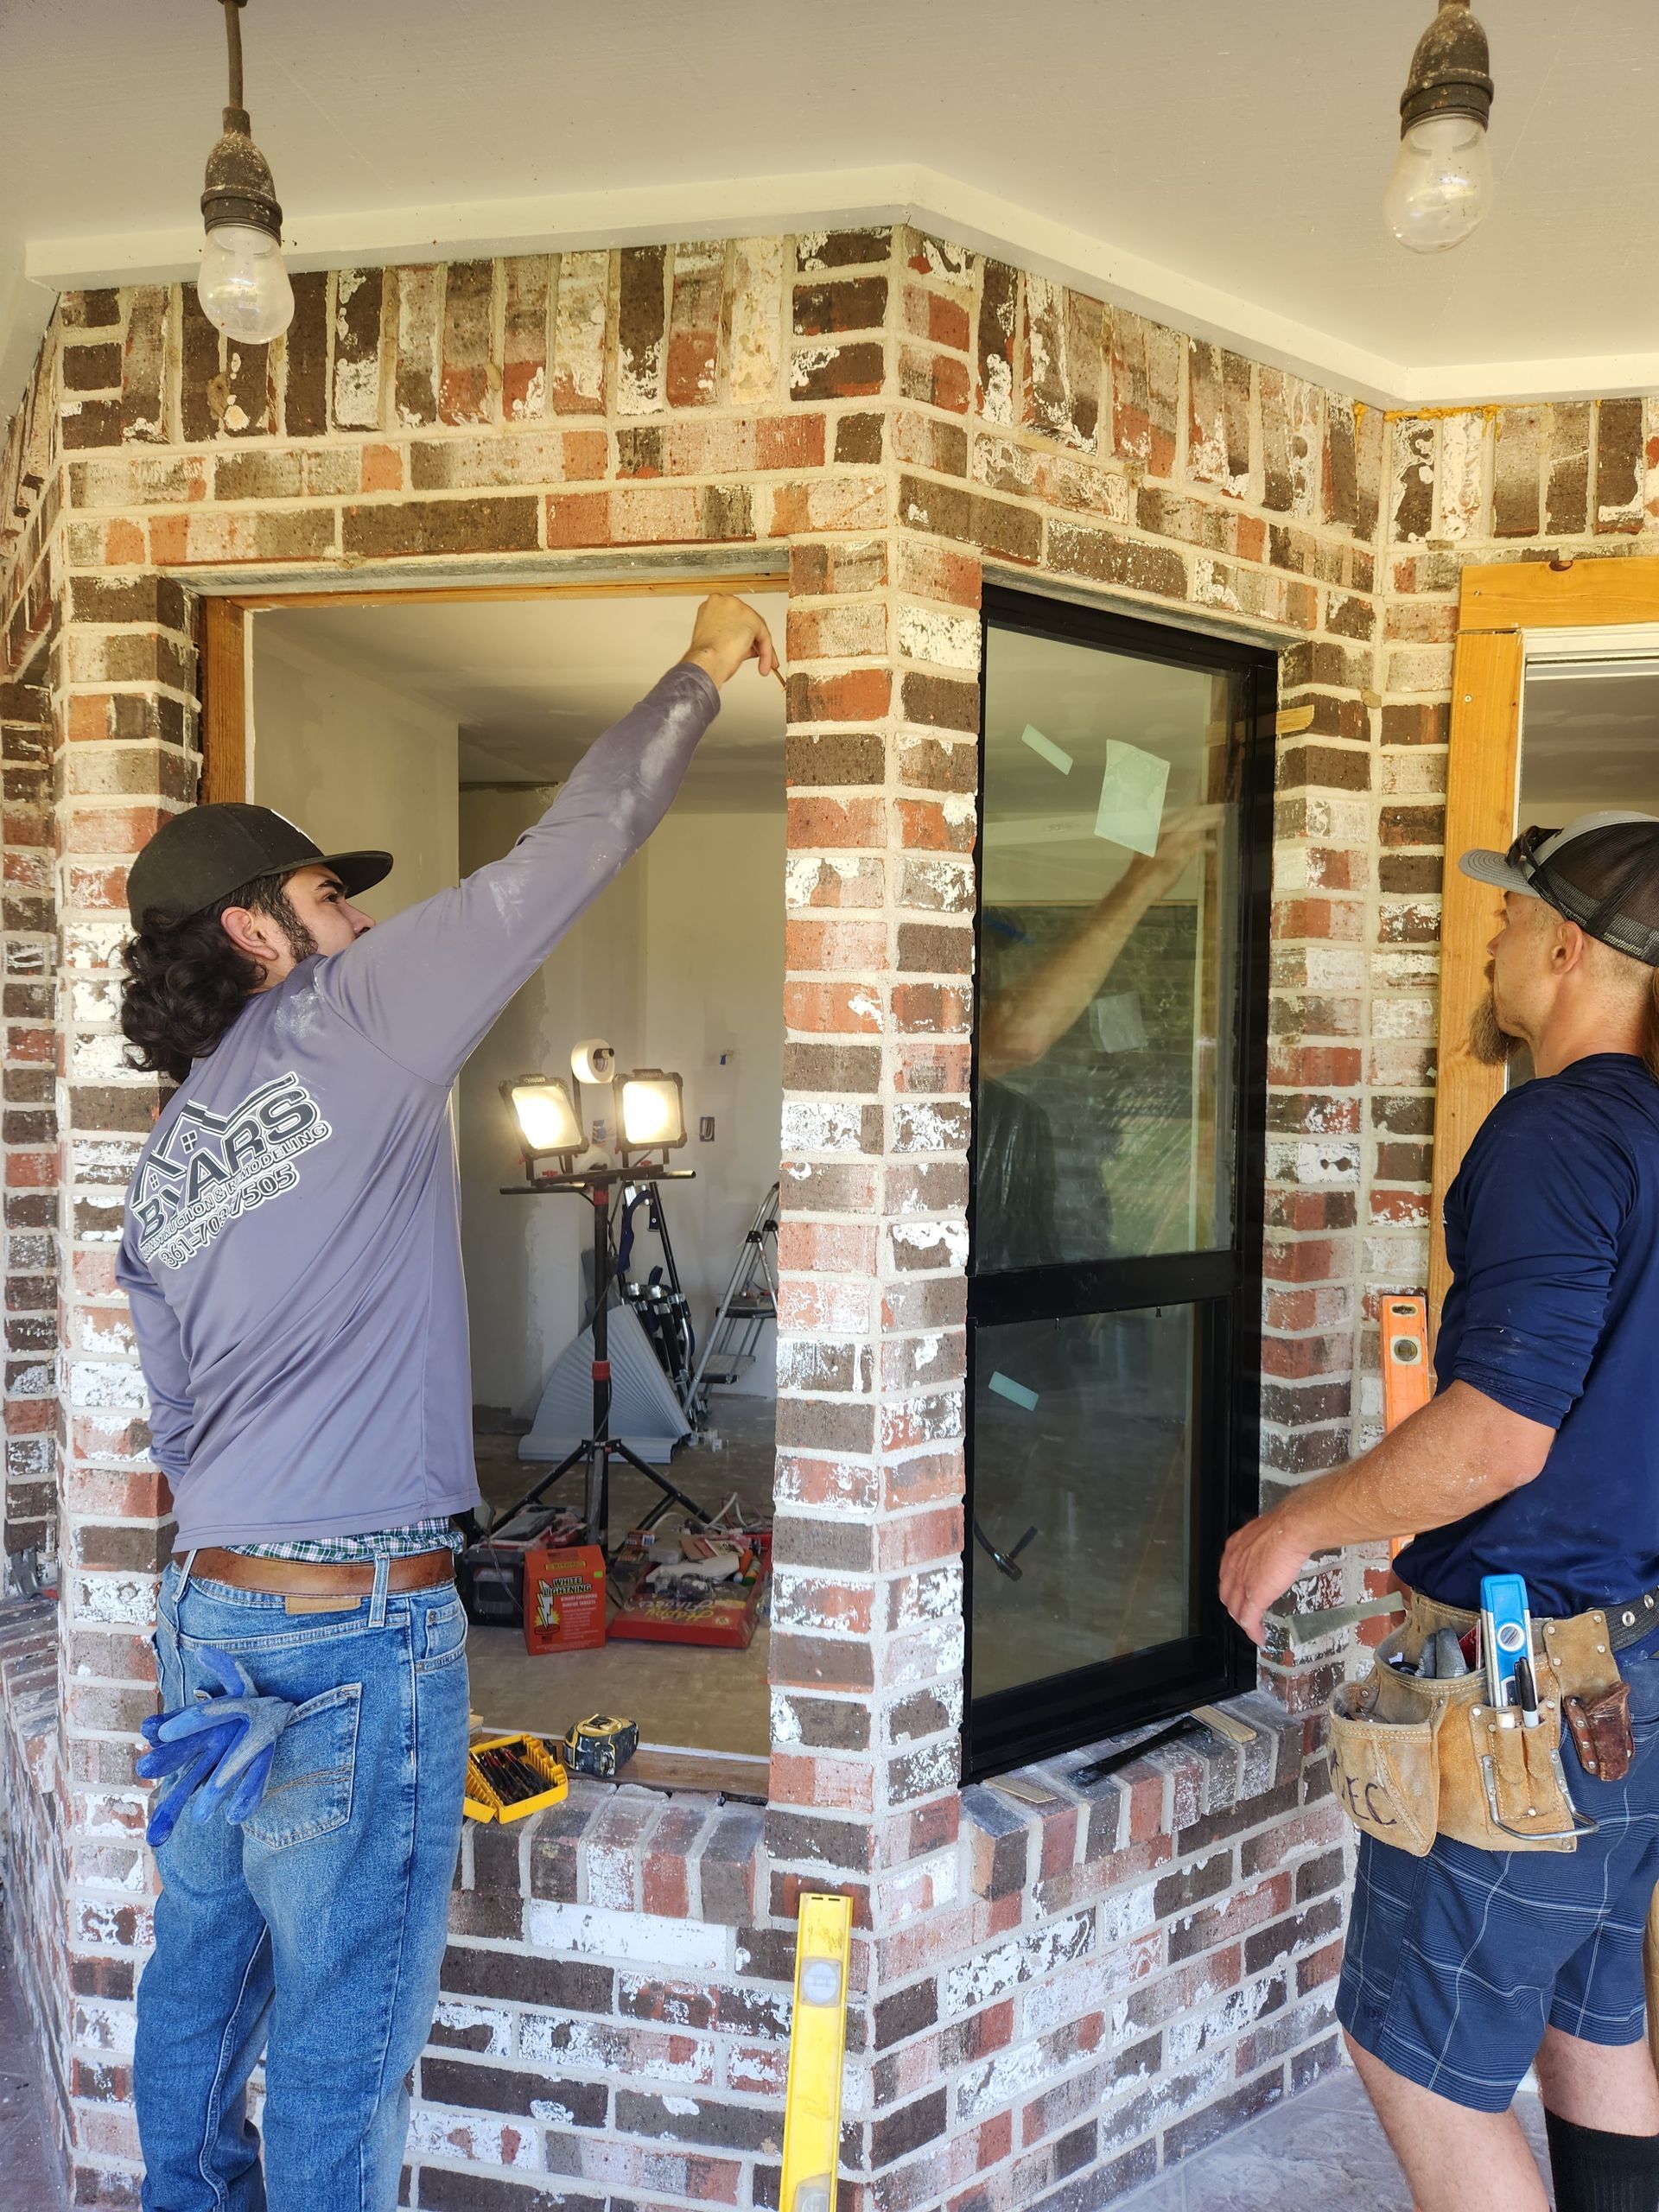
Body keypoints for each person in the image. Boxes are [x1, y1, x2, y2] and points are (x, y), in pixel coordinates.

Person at [118, 594, 778, 2212]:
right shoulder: (347, 1019)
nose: (355, 919)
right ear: (260, 933)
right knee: (343, 2050)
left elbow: (179, 1419)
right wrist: (702, 665)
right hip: (355, 1632)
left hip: (211, 1621)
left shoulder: (170, 1153)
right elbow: (567, 854)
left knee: (198, 1999)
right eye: (330, 894)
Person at [1221, 812, 1659, 2212]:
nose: (1491, 935)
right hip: (1636, 1665)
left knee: (1412, 2055)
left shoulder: (1557, 1132)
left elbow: (1496, 1439)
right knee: (1593, 2015)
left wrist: (1301, 1521)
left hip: (1529, 1681)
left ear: (1568, 947)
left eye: (1510, 914)